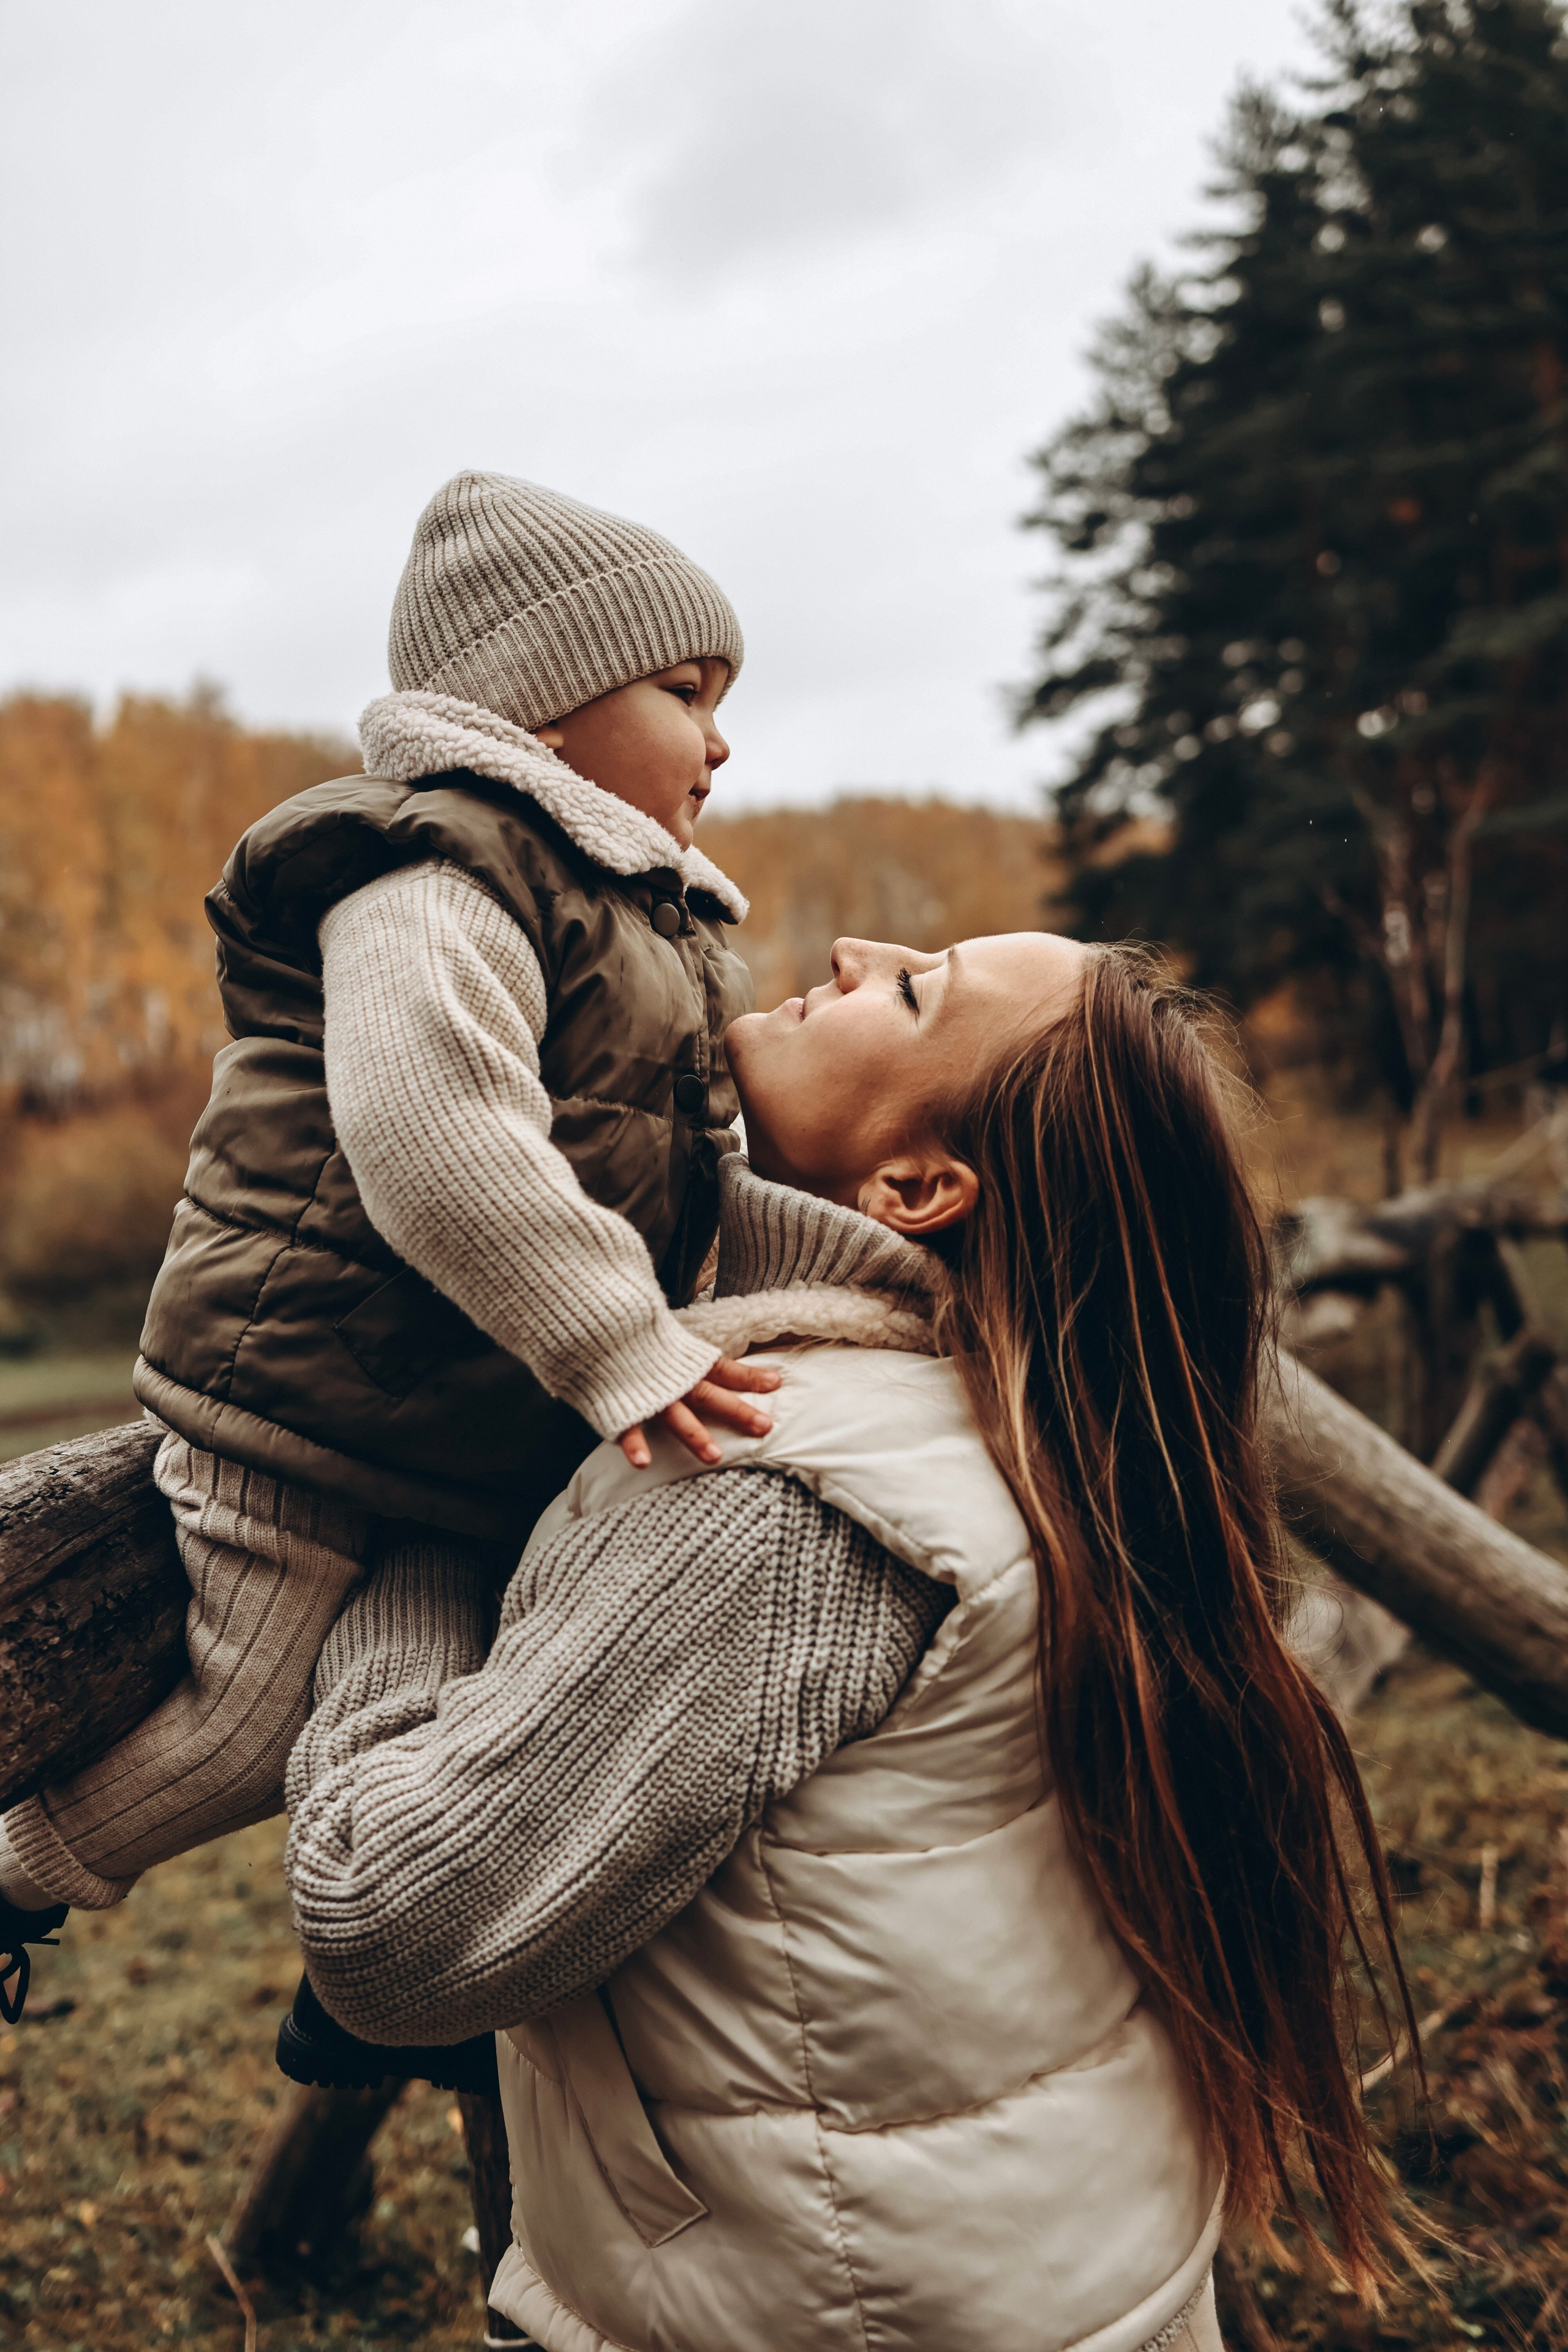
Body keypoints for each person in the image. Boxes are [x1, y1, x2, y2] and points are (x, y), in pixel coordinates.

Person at [284, 930, 1415, 2351]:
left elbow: (390, 1935)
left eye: (910, 988)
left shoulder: (784, 1492)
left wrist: (408, 1545)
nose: (848, 948)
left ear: (917, 1188)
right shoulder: (1018, 1429)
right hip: (1063, 2278)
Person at [0, 471, 781, 2049]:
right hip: (312, 1391)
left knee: (465, 1688)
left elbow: (690, 1170)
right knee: (236, 1725)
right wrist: (620, 1347)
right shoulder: (438, 872)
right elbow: (436, 1137)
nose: (719, 740)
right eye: (684, 692)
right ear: (542, 708)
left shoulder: (626, 917)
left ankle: (369, 2015)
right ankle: (15, 1877)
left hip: (437, 1429)